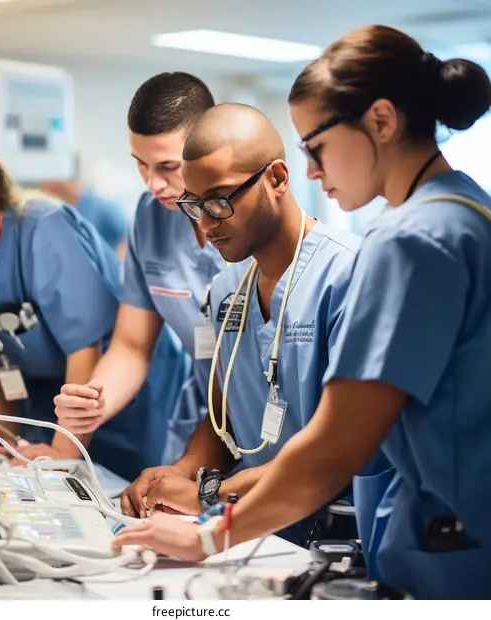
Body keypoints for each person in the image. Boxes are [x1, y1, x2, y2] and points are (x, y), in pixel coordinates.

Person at [112, 24, 491, 600]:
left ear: (382, 121)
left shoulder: (409, 241)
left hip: (449, 548)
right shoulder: (467, 209)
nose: (312, 170)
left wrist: (212, 529)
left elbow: (337, 448)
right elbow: (228, 416)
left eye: (315, 146)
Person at [115, 103, 387, 546]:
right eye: (194, 204)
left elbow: (338, 449)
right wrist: (182, 471)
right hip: (255, 531)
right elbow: (224, 418)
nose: (205, 223)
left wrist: (208, 492)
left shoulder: (351, 276)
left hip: (342, 535)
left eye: (220, 201)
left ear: (277, 179)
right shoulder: (226, 289)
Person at [0, 109, 184, 482]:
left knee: (129, 498)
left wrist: (63, 451)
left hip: (119, 396)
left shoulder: (45, 229)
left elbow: (85, 348)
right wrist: (3, 446)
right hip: (50, 401)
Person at [54, 73, 227, 465]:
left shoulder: (250, 225)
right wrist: (95, 402)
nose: (154, 184)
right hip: (201, 421)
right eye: (141, 165)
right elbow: (132, 345)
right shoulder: (150, 218)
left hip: (265, 423)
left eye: (168, 166)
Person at [39, 179, 128, 259]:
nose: (46, 184)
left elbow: (129, 238)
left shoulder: (102, 208)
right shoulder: (60, 213)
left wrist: (119, 271)